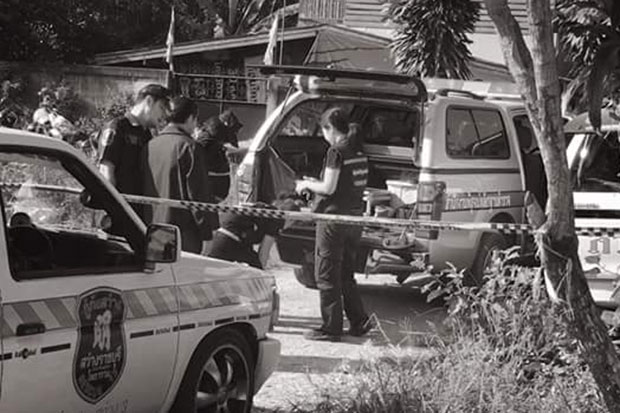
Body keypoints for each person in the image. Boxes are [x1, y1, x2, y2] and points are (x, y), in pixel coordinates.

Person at [294, 107, 372, 342]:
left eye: (323, 130)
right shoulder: (358, 150)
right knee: (346, 273)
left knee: (326, 274)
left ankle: (331, 327)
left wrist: (305, 185)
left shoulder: (336, 152)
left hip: (332, 221)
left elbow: (328, 188)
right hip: (353, 220)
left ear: (329, 128)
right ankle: (359, 321)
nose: (323, 136)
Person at [142, 96, 214, 254]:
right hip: (183, 235)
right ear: (190, 118)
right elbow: (199, 195)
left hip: (152, 228)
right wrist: (208, 233)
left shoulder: (149, 145)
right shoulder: (190, 147)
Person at [98, 84, 170, 209]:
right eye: (162, 108)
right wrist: (115, 207)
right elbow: (106, 170)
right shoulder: (117, 127)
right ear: (149, 101)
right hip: (119, 209)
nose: (163, 115)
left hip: (138, 209)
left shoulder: (146, 134)